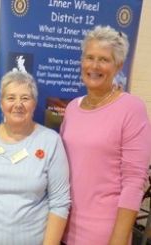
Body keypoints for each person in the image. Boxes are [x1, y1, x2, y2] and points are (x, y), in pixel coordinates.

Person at [60, 25, 151, 245]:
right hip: (63, 228)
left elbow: (134, 181)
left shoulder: (131, 108)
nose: (94, 65)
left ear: (118, 65)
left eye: (104, 59)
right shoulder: (72, 107)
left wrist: (118, 240)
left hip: (102, 235)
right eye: (89, 57)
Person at [0, 71, 71, 245]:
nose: (18, 104)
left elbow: (60, 202)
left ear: (34, 103)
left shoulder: (50, 141)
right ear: (1, 103)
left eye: (25, 98)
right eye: (11, 98)